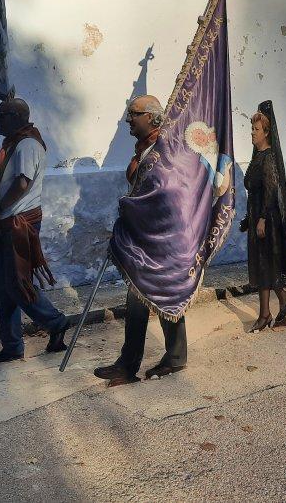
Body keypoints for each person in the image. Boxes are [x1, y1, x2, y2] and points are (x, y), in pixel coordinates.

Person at [95, 95, 187, 385]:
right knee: (136, 301)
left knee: (165, 297)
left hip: (162, 240)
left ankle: (174, 357)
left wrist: (133, 213)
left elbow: (165, 196)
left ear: (150, 117)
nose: (128, 121)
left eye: (133, 115)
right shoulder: (144, 150)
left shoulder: (165, 152)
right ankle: (128, 363)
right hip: (141, 240)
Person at [0, 98, 71, 365]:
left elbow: (22, 183)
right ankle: (11, 345)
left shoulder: (27, 144)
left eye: (0, 116)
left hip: (19, 222)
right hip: (8, 222)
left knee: (17, 285)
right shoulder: (12, 144)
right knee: (4, 288)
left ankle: (55, 321)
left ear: (16, 116)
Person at [241, 101, 286, 332]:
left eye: (256, 130)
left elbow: (272, 190)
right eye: (252, 130)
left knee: (266, 266)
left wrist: (262, 218)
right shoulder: (257, 156)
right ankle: (267, 311)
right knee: (262, 266)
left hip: (267, 220)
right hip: (256, 217)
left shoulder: (268, 157)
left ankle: (279, 300)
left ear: (266, 133)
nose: (252, 134)